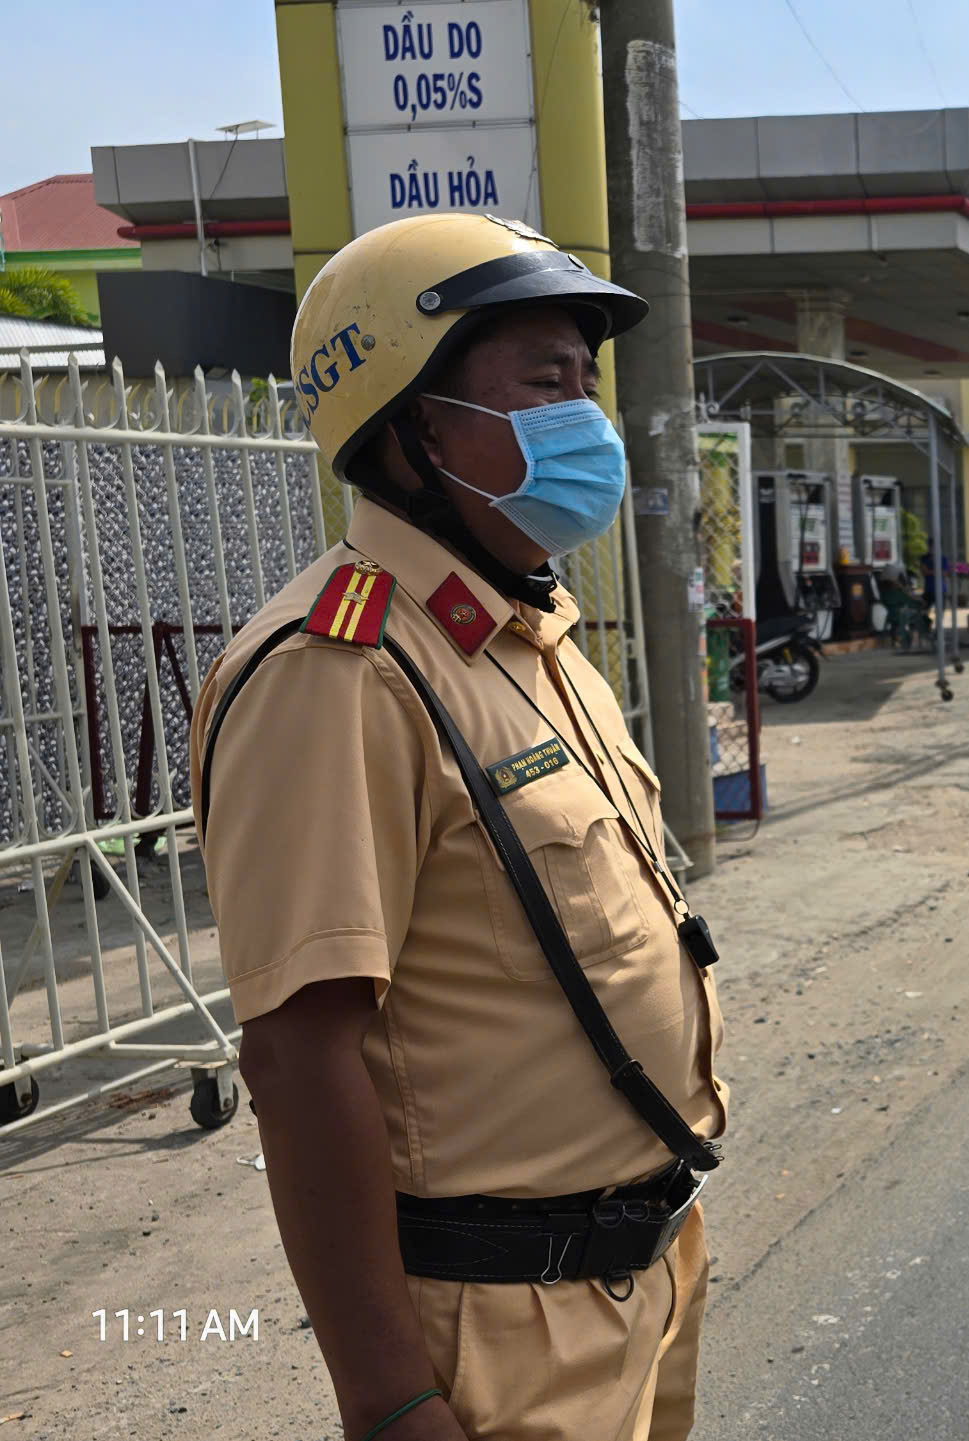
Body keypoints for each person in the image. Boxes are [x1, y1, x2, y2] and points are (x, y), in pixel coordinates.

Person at [188, 213, 726, 1441]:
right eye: (545, 382)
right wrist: (390, 1401)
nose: (583, 419)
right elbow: (298, 1054)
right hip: (497, 1331)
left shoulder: (522, 636)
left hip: (635, 1277)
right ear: (417, 422)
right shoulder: (339, 669)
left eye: (582, 383)